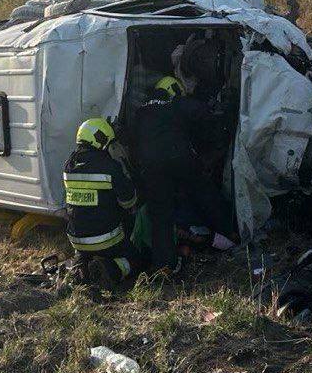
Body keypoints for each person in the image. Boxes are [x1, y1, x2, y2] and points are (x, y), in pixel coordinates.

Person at [128, 36, 233, 272]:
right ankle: (229, 233)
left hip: (151, 166)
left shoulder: (143, 110)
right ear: (173, 89)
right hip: (179, 157)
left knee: (160, 214)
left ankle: (163, 265)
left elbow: (133, 136)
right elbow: (204, 116)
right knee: (204, 192)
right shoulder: (175, 102)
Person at [63, 117, 139, 289]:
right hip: (106, 239)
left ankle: (80, 268)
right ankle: (109, 270)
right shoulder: (109, 166)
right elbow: (128, 202)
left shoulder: (69, 165)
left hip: (76, 238)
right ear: (100, 139)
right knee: (135, 259)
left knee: (85, 255)